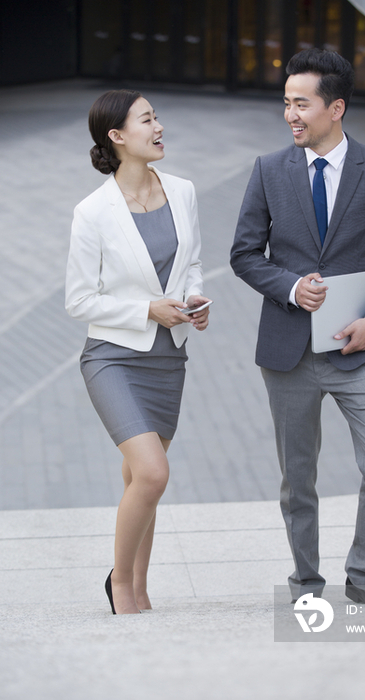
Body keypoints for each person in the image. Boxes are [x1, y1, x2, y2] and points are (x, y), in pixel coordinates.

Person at [230, 49, 365, 604]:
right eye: (286, 103)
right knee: (299, 481)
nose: (290, 114)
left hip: (358, 353)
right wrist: (292, 287)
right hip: (289, 354)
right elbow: (245, 254)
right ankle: (306, 585)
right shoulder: (269, 170)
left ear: (335, 107)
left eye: (302, 104)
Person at [65, 90, 211, 614]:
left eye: (157, 117)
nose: (159, 127)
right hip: (113, 357)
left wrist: (193, 299)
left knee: (139, 482)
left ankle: (141, 589)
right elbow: (79, 300)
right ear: (118, 136)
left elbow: (191, 263)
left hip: (168, 357)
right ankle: (120, 585)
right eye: (148, 120)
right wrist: (148, 310)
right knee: (152, 473)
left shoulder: (184, 191)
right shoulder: (92, 212)